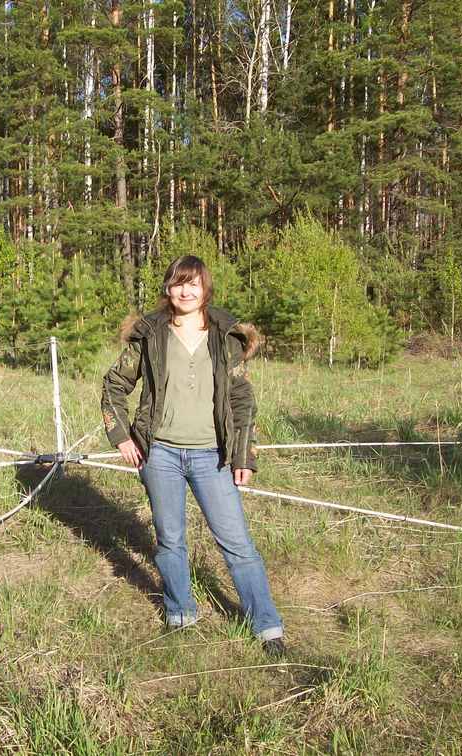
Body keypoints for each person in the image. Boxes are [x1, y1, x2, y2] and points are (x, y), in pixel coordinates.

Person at [101, 255, 285, 655]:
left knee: (237, 543)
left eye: (193, 284)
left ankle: (267, 626)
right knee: (170, 540)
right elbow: (114, 385)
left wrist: (244, 456)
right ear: (168, 288)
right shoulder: (150, 334)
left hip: (212, 457)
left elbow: (242, 401)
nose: (186, 291)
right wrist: (121, 436)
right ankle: (180, 613)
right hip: (160, 455)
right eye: (178, 283)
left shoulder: (225, 337)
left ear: (205, 289)